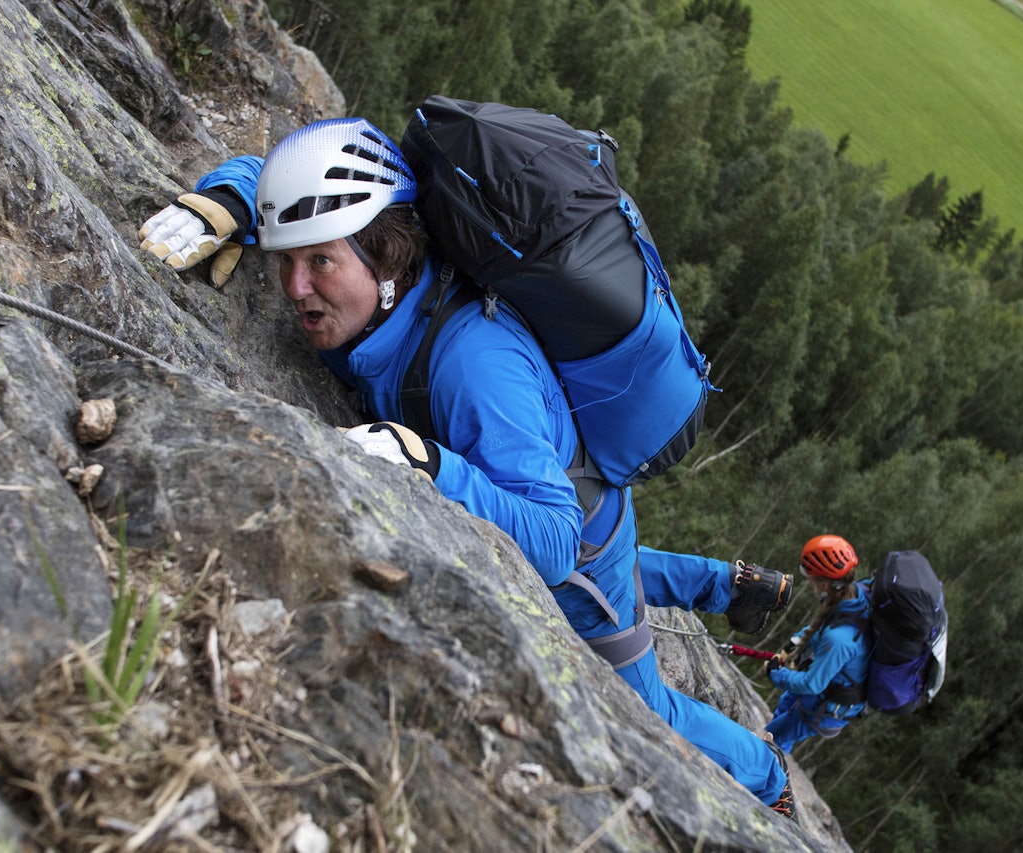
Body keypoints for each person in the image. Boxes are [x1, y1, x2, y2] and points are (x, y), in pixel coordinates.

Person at [138, 117, 798, 817]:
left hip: (583, 551)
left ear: (384, 256)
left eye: (320, 263)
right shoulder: (369, 284)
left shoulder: (472, 363)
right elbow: (276, 183)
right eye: (286, 259)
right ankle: (727, 586)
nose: (295, 286)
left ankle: (766, 774)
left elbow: (550, 540)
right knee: (630, 571)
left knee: (652, 708)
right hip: (546, 482)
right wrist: (233, 202)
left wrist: (425, 460)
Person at [763, 534, 872, 755]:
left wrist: (775, 674)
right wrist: (794, 644)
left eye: (812, 580)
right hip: (827, 685)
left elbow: (813, 684)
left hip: (827, 708)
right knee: (784, 704)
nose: (811, 585)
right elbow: (826, 623)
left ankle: (771, 782)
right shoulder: (857, 594)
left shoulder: (840, 640)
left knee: (770, 740)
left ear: (823, 583)